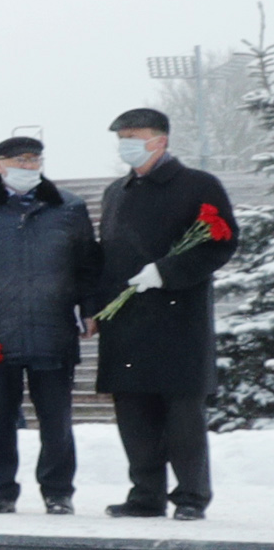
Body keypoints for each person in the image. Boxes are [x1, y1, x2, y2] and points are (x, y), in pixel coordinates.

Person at [94, 106, 238, 521]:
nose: (127, 144)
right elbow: (107, 255)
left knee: (182, 417)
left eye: (135, 135)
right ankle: (145, 494)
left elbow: (220, 243)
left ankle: (191, 496)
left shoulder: (197, 185)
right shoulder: (116, 192)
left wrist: (167, 271)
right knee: (135, 415)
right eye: (121, 136)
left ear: (161, 139)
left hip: (178, 319)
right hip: (125, 321)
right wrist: (95, 306)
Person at [0, 133, 96, 514]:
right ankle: (0, 489)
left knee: (57, 418)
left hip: (53, 327)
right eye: (20, 160)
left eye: (35, 160)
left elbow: (88, 267)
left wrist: (91, 309)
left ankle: (58, 490)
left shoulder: (68, 208)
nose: (29, 167)